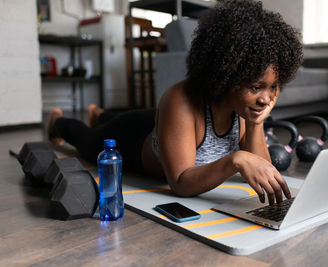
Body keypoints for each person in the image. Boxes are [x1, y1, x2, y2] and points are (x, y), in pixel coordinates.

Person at [47, 0, 303, 206]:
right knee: (88, 141)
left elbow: (264, 170)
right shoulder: (181, 100)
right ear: (228, 75)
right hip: (133, 137)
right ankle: (58, 121)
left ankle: (100, 112)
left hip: (169, 128)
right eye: (256, 87)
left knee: (129, 116)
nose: (266, 98)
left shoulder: (243, 109)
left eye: (273, 87)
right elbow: (181, 183)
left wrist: (256, 122)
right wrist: (235, 159)